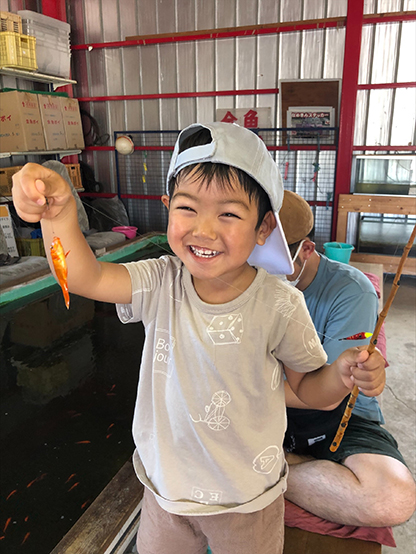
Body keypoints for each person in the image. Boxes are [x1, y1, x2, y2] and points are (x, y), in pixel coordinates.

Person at [12, 123, 385, 554]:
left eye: (228, 214)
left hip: (248, 502)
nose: (204, 230)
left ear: (264, 227)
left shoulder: (280, 304)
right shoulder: (159, 280)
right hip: (164, 494)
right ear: (168, 207)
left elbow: (309, 390)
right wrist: (57, 214)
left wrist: (342, 375)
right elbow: (84, 276)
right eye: (187, 208)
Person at [280, 190, 416, 528]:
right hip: (268, 410)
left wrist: (238, 388)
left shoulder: (350, 292)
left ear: (306, 250)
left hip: (336, 412)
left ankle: (269, 467)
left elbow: (329, 395)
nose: (261, 272)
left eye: (275, 262)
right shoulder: (243, 282)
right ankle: (289, 467)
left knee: (390, 497)